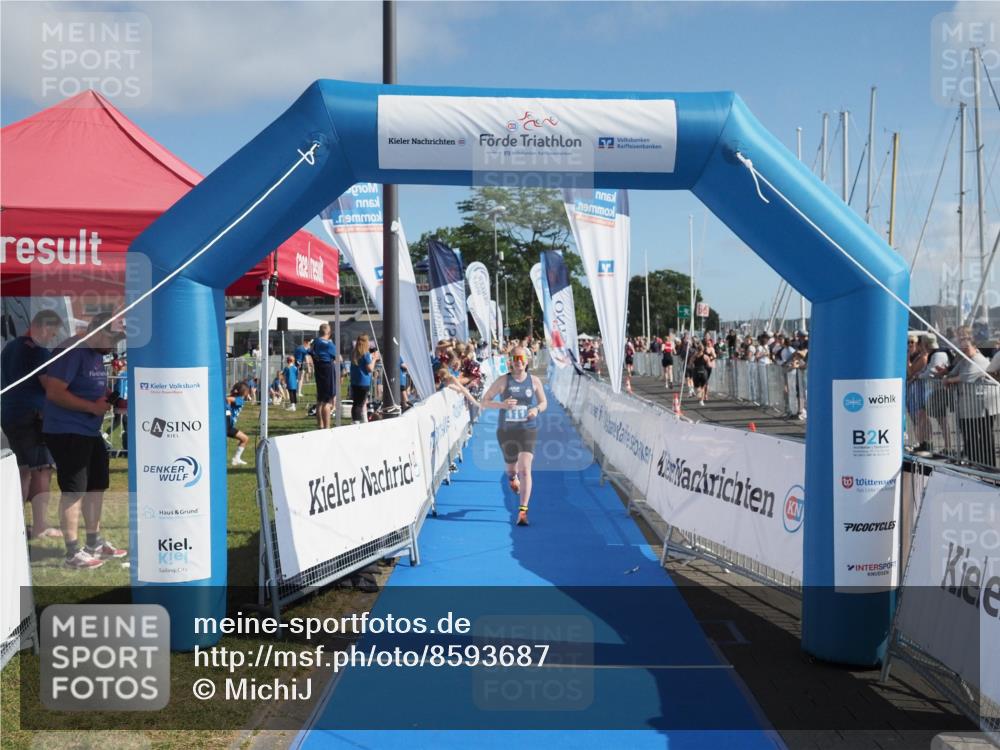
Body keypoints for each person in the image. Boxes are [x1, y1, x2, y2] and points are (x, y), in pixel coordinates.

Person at [42, 312, 127, 569]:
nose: (113, 347)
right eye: (111, 339)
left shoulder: (95, 353)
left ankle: (94, 542)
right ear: (95, 329)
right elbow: (54, 392)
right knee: (74, 490)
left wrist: (115, 401)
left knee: (97, 486)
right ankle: (72, 553)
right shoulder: (72, 350)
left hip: (89, 431)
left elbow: (97, 386)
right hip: (66, 431)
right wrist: (91, 407)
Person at [1, 309, 64, 540]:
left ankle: (12, 525)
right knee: (41, 470)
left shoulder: (10, 347)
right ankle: (40, 526)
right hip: (33, 417)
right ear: (43, 327)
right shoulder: (37, 351)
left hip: (10, 414)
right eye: (52, 333)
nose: (52, 338)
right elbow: (51, 386)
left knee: (24, 470)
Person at [480, 346, 547, 526]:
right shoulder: (503, 381)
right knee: (511, 470)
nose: (518, 361)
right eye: (515, 358)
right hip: (506, 431)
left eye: (521, 358)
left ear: (527, 360)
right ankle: (512, 478)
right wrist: (502, 405)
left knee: (525, 469)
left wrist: (536, 409)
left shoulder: (534, 381)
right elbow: (484, 401)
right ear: (510, 361)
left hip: (527, 428)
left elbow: (543, 402)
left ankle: (523, 512)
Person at [310, 323, 337, 429]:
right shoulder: (328, 344)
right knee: (327, 401)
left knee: (320, 400)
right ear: (329, 333)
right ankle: (327, 426)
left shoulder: (315, 342)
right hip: (327, 370)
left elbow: (310, 351)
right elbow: (336, 356)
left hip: (319, 369)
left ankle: (320, 425)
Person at [350, 334, 378, 424]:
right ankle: (357, 422)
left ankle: (360, 420)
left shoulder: (354, 353)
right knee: (360, 404)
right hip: (363, 383)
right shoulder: (365, 355)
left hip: (355, 382)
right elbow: (370, 369)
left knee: (357, 403)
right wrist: (374, 359)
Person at [226, 382, 251, 466]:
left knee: (244, 439)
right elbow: (228, 399)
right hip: (227, 426)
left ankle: (236, 459)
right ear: (244, 392)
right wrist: (228, 411)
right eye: (247, 391)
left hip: (229, 426)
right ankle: (235, 459)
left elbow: (228, 399)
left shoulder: (238, 399)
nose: (248, 392)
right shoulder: (240, 399)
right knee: (245, 439)